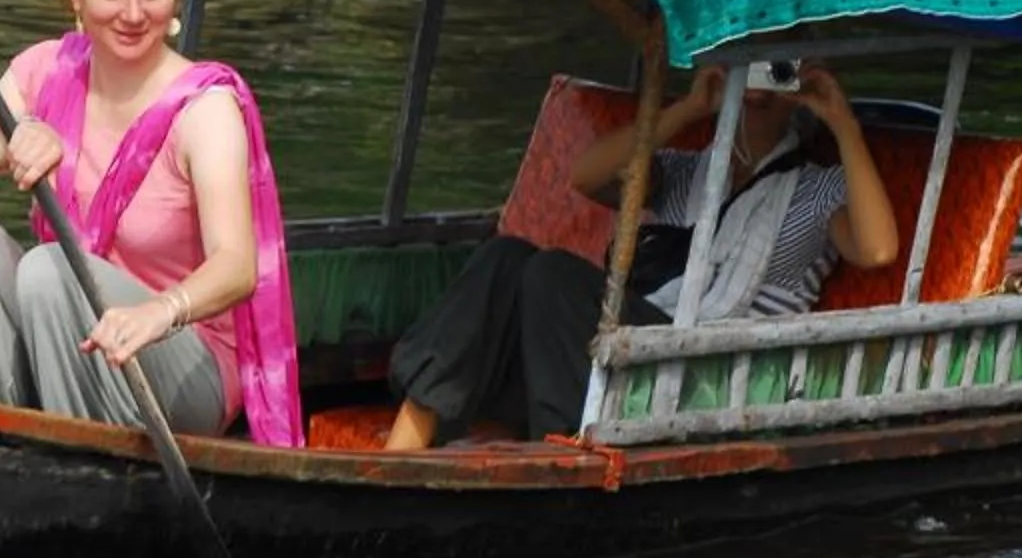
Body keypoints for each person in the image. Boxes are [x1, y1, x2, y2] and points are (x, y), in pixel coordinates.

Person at [0, 0, 302, 444]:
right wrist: (6, 143)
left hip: (180, 358)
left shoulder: (205, 108)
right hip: (65, 324)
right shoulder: (47, 69)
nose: (134, 15)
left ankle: (76, 469)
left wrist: (160, 313)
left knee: (50, 269)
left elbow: (237, 267)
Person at [382, 58, 900, 449]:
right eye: (751, 68)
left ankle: (558, 447)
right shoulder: (690, 173)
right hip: (626, 348)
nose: (760, 87)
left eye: (777, 71)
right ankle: (408, 440)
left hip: (706, 367)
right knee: (507, 257)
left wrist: (841, 120)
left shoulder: (818, 189)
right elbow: (587, 176)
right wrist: (690, 106)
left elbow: (877, 250)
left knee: (551, 274)